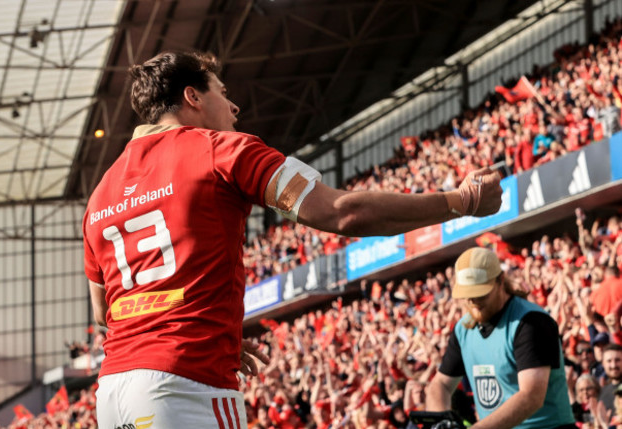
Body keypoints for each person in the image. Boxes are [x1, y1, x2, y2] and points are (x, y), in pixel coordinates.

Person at [82, 50, 502, 428]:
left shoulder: (100, 193)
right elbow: (343, 212)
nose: (233, 106)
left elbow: (104, 312)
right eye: (222, 93)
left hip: (115, 391)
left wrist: (212, 328)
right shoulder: (223, 150)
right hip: (185, 384)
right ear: (192, 97)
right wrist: (459, 201)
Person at [425, 247, 576, 429]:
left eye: (481, 294)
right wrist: (441, 422)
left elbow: (531, 396)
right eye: (467, 295)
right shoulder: (463, 329)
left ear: (500, 281)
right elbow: (440, 384)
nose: (473, 301)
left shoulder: (530, 322)